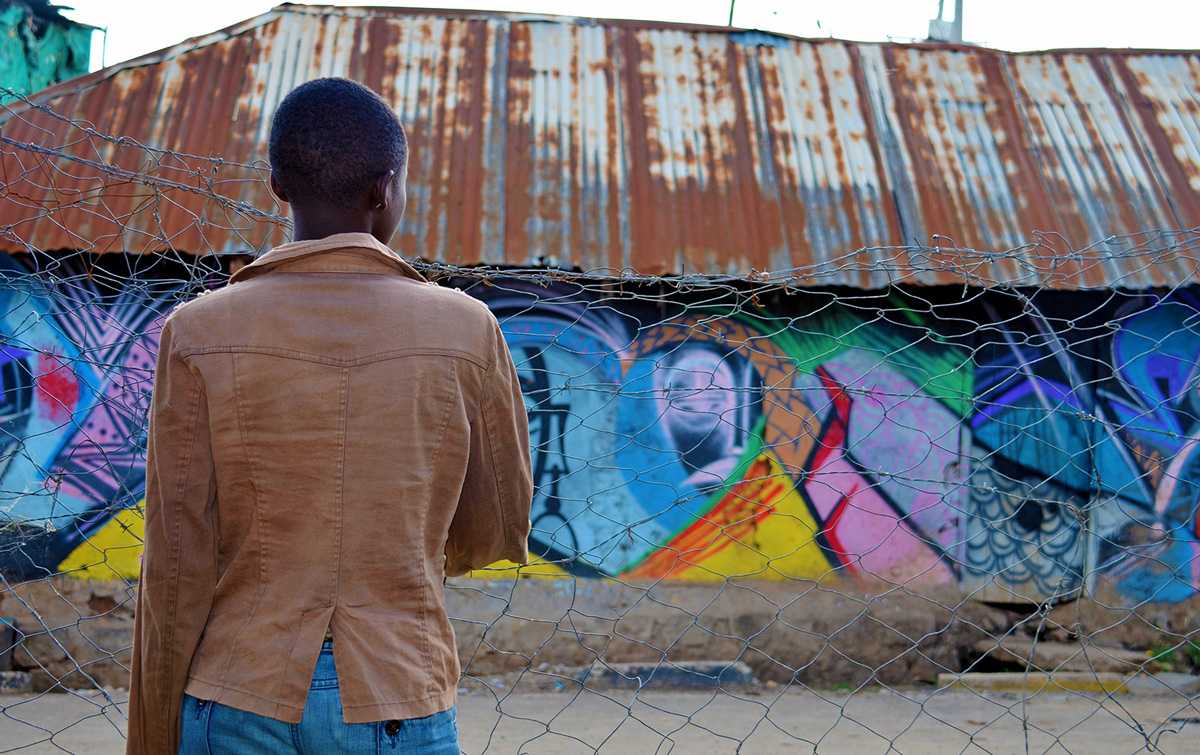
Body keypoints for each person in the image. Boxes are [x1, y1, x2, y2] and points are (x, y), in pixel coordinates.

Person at [125, 78, 533, 755]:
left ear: (277, 183)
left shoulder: (197, 330)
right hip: (398, 687)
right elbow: (495, 525)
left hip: (237, 689)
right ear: (386, 188)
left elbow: (176, 559)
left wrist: (151, 736)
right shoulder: (468, 328)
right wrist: (401, 549)